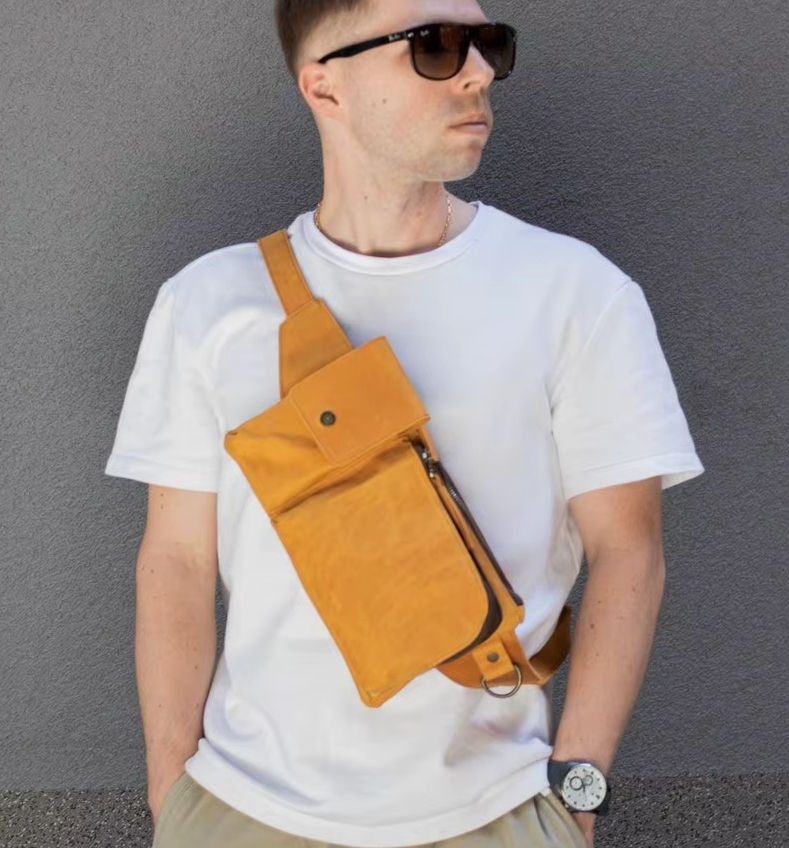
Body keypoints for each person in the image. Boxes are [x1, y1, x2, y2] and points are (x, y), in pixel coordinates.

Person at [104, 1, 705, 846]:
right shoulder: (207, 303)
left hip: (495, 812)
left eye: (488, 44)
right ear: (325, 87)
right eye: (435, 46)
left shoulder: (578, 293)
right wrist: (173, 793)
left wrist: (576, 794)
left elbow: (629, 552)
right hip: (240, 809)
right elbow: (175, 559)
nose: (478, 73)